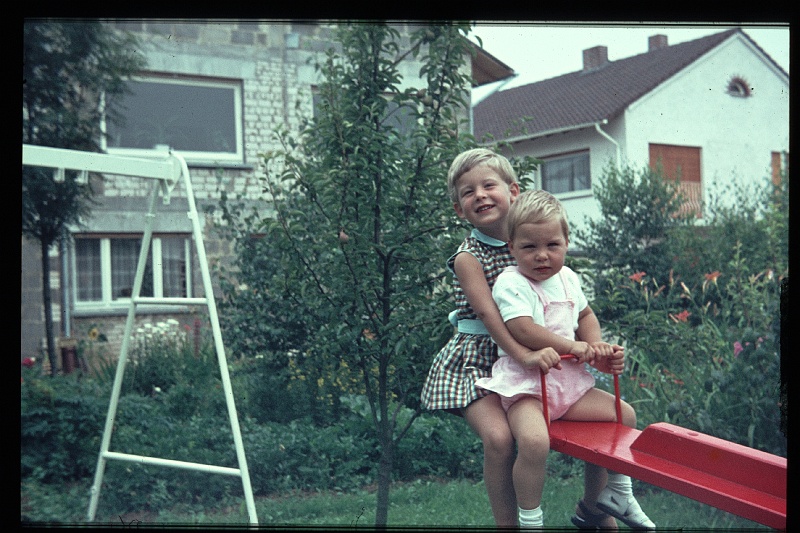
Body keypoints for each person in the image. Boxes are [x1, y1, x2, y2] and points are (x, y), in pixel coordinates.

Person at [476, 190, 655, 529]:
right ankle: (530, 518)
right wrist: (574, 348)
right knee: (534, 441)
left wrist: (595, 345)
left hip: (568, 387)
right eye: (529, 247)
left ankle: (611, 494)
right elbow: (523, 329)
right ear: (512, 247)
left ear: (566, 243)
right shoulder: (510, 282)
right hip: (527, 387)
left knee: (623, 415)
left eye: (552, 246)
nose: (542, 256)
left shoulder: (569, 278)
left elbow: (585, 314)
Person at [420, 148, 555, 527]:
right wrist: (524, 355)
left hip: (521, 354)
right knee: (498, 440)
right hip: (478, 359)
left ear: (513, 191)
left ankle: (599, 503)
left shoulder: (532, 243)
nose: (479, 195)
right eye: (468, 192)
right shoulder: (469, 256)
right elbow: (488, 314)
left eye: (488, 185)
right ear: (459, 210)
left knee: (541, 434)